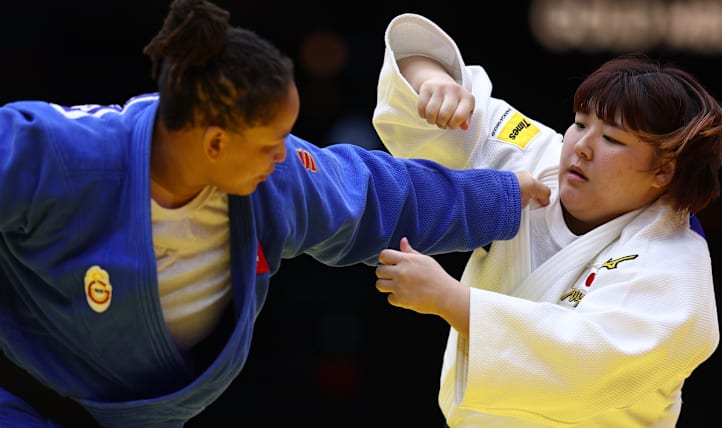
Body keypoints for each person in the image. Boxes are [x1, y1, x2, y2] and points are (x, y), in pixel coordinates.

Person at [0, 3, 553, 427]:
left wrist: (500, 196)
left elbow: (378, 195)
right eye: (270, 143)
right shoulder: (57, 153)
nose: (282, 155)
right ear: (215, 142)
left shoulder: (272, 175)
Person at [372, 13, 722, 427]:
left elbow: (590, 365)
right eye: (581, 124)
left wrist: (450, 299)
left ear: (663, 170)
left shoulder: (675, 266)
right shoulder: (535, 159)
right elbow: (415, 63)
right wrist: (434, 83)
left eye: (611, 138)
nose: (581, 146)